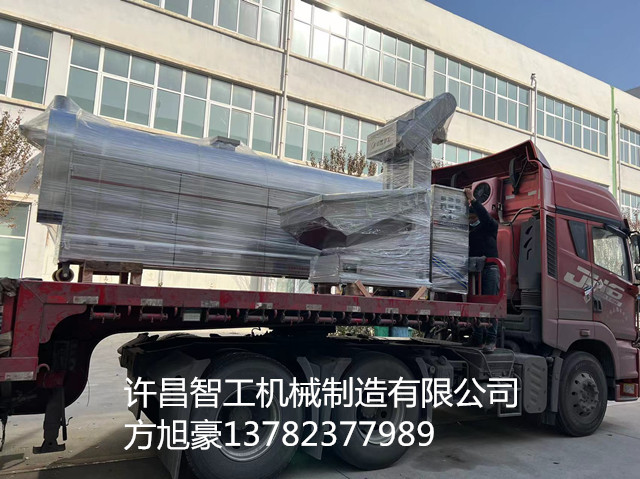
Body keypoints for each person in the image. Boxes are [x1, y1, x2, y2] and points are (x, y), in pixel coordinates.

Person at [464, 187, 499, 352]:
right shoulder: (469, 232)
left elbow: (485, 217)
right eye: (469, 218)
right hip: (474, 271)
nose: (471, 220)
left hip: (490, 269)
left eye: (473, 217)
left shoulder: (490, 226)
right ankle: (477, 337)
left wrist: (473, 201)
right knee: (475, 305)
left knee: (490, 304)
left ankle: (491, 339)